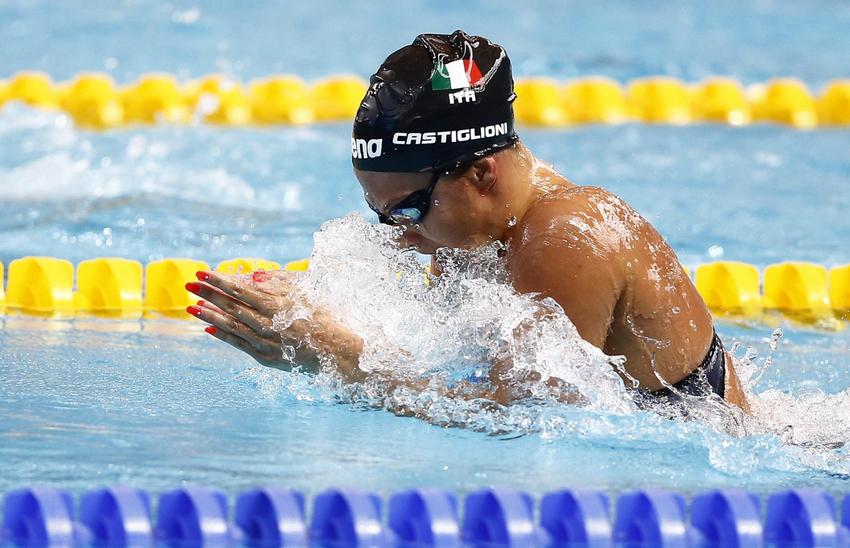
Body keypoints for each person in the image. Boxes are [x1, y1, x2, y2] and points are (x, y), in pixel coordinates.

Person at [185, 30, 748, 412]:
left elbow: (528, 421)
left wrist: (337, 356)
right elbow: (459, 369)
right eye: (380, 213)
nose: (400, 235)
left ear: (481, 176)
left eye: (407, 209)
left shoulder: (565, 236)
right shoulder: (477, 229)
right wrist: (306, 315)